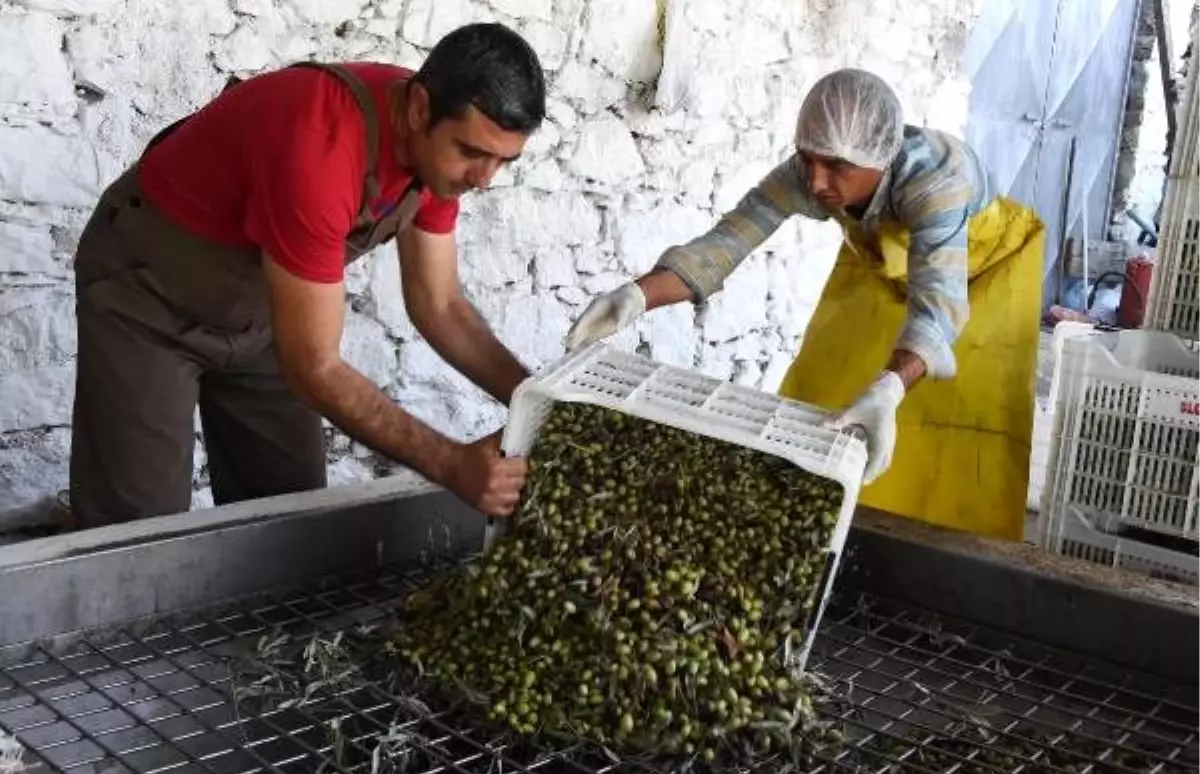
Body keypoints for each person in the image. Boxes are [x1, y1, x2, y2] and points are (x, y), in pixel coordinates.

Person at [69, 23, 544, 530]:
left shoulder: (437, 159)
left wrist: (541, 404)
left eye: (502, 161)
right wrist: (451, 464)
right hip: (147, 298)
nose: (484, 179)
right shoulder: (320, 145)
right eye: (472, 153)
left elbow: (440, 305)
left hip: (264, 313)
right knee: (134, 532)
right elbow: (314, 367)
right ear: (419, 109)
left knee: (286, 518)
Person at [566, 68, 1045, 542]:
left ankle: (950, 555)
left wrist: (892, 387)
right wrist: (636, 295)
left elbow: (939, 305)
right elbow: (729, 241)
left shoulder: (935, 184)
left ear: (878, 158)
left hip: (983, 273)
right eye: (808, 159)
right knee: (827, 399)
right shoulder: (811, 174)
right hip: (886, 266)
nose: (817, 182)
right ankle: (831, 537)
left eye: (836, 167)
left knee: (960, 431)